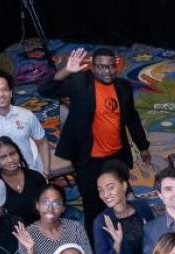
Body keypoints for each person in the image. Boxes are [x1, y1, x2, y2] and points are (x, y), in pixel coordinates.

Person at [38, 47, 150, 220]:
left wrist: (143, 146)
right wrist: (67, 70)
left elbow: (132, 118)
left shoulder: (123, 87)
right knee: (93, 206)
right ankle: (96, 243)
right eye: (101, 67)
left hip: (116, 156)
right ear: (93, 67)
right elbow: (45, 90)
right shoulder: (79, 83)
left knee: (121, 199)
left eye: (111, 66)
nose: (107, 71)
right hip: (88, 159)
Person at [91, 160, 154, 254]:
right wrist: (116, 245)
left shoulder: (143, 208)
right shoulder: (101, 222)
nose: (105, 195)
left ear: (124, 186)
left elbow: (157, 243)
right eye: (101, 190)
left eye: (110, 187)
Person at [0, 135, 47, 223]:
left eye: (12, 153)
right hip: (12, 233)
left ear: (19, 153)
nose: (10, 160)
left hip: (43, 227)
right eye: (3, 157)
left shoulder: (35, 177)